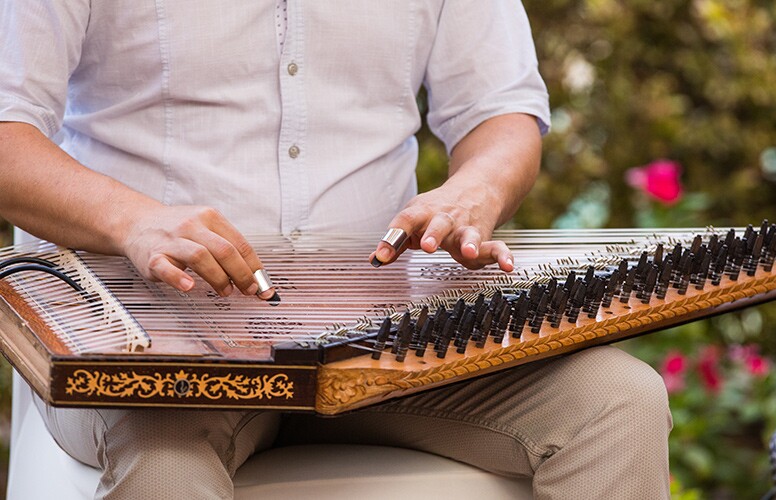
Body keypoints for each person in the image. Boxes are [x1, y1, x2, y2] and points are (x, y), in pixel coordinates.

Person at [0, 1, 672, 498]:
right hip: (154, 339)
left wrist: (475, 191)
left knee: (619, 402)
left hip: (386, 337)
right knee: (165, 466)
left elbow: (500, 112)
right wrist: (134, 221)